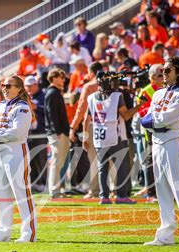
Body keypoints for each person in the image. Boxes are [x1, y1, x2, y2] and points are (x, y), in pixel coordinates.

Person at [141, 56, 179, 247]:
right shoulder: (158, 94)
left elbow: (166, 117)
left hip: (174, 142)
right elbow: (150, 119)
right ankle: (165, 235)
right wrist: (156, 123)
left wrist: (155, 122)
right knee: (162, 191)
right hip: (158, 143)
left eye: (167, 70)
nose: (162, 74)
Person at [0, 75, 37, 243]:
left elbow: (17, 133)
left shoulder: (22, 108)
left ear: (19, 88)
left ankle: (28, 233)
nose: (4, 88)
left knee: (21, 193)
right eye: (2, 85)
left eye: (8, 85)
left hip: (15, 151)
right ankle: (3, 231)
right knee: (2, 194)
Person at [83, 73, 139, 204]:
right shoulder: (117, 96)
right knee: (121, 166)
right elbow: (125, 115)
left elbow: (86, 119)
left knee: (102, 168)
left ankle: (104, 197)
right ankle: (121, 195)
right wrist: (140, 105)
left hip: (99, 136)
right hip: (115, 135)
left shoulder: (91, 97)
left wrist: (85, 138)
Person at [70, 62, 103, 198]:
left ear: (92, 72)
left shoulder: (89, 86)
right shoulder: (110, 84)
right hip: (109, 124)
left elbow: (82, 108)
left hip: (93, 124)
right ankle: (113, 188)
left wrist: (73, 126)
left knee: (93, 159)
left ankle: (94, 190)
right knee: (110, 157)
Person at [135, 64, 164, 201]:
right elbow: (141, 112)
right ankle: (151, 193)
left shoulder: (167, 89)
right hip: (149, 131)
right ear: (152, 77)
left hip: (165, 129)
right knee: (150, 160)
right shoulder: (145, 92)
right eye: (160, 74)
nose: (163, 76)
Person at [44, 68, 70, 198]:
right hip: (57, 133)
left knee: (59, 162)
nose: (63, 80)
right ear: (53, 78)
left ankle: (57, 189)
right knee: (56, 162)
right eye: (61, 77)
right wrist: (58, 131)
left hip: (59, 132)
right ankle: (54, 190)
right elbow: (51, 113)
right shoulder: (52, 93)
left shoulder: (55, 92)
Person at [24, 76, 47, 192]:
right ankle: (34, 182)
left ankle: (43, 182)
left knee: (41, 158)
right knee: (30, 159)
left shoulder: (43, 96)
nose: (28, 88)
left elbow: (48, 111)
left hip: (40, 132)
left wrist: (36, 107)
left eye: (30, 86)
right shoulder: (25, 97)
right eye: (26, 86)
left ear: (36, 85)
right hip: (29, 133)